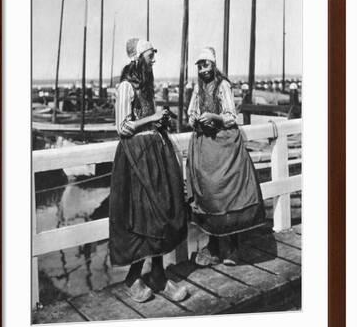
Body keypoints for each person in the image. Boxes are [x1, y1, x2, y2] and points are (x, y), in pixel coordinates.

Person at [109, 38, 188, 303]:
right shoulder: (125, 87)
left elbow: (145, 120)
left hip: (154, 153)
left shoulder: (145, 86)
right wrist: (151, 119)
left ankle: (157, 274)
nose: (154, 58)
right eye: (152, 53)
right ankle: (133, 277)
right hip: (134, 159)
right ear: (138, 57)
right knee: (143, 216)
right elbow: (122, 127)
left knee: (163, 210)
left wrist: (159, 122)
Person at [186, 47, 265, 266]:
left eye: (206, 65)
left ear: (214, 65)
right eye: (200, 66)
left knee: (230, 194)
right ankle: (212, 246)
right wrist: (195, 119)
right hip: (204, 146)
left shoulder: (223, 85)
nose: (203, 70)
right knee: (210, 195)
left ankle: (233, 247)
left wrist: (214, 117)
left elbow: (231, 116)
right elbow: (191, 112)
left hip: (224, 144)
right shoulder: (197, 88)